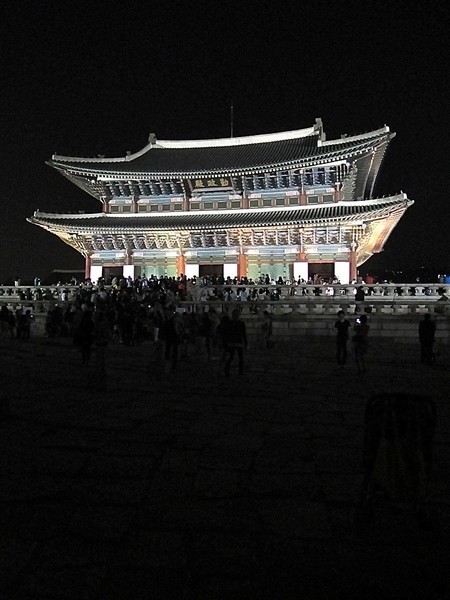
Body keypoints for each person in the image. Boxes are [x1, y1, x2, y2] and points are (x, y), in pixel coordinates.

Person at [224, 309, 248, 376]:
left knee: (231, 357)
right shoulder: (241, 323)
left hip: (232, 341)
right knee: (240, 357)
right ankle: (240, 371)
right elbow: (244, 334)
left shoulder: (230, 323)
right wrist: (246, 343)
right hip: (238, 341)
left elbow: (227, 333)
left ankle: (227, 370)